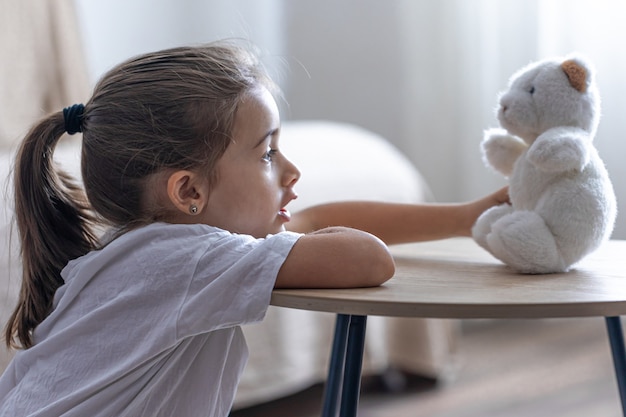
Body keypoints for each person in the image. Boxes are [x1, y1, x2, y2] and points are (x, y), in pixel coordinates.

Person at [0, 40, 508, 416]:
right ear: (189, 193)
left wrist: (465, 217)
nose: (291, 171)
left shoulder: (137, 252)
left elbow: (311, 224)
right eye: (267, 153)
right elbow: (367, 258)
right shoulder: (189, 257)